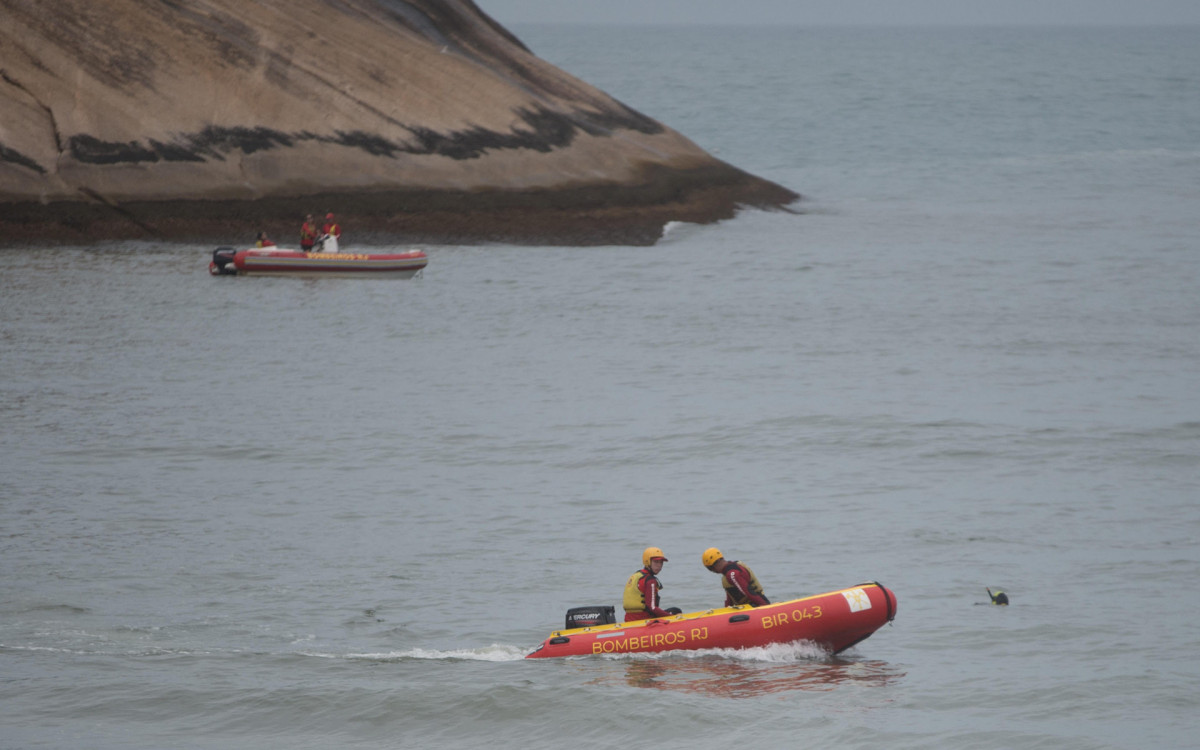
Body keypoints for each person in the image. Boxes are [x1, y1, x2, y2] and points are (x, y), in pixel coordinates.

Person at [623, 547, 681, 621]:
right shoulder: (650, 580)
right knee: (676, 611)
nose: (659, 565)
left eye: (661, 562)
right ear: (647, 561)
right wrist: (671, 617)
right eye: (656, 562)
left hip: (629, 619)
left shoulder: (636, 576)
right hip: (644, 619)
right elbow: (652, 607)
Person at [702, 548, 770, 608]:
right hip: (745, 608)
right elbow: (730, 598)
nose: (712, 571)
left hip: (757, 605)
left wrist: (766, 608)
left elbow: (749, 593)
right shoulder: (728, 573)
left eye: (710, 568)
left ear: (715, 565)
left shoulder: (732, 574)